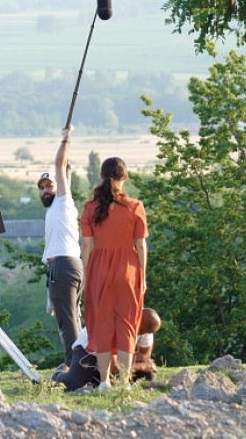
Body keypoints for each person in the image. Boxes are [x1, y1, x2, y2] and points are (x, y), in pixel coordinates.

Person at [81, 156, 148, 390]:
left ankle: (104, 382)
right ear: (125, 177)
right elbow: (140, 245)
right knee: (127, 323)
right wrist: (143, 276)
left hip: (99, 268)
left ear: (101, 176)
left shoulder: (90, 208)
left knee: (101, 323)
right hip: (128, 268)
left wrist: (86, 278)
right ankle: (125, 382)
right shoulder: (135, 206)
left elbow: (86, 246)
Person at [37, 126, 84, 370]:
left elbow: (60, 164)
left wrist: (66, 140)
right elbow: (65, 169)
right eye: (42, 187)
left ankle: (73, 365)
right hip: (65, 266)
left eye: (50, 186)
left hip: (64, 266)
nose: (45, 190)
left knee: (67, 322)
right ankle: (82, 361)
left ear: (59, 187)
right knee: (73, 318)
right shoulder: (56, 210)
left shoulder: (63, 202)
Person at [51, 308, 161, 391]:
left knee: (149, 375)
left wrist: (125, 360)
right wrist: (141, 366)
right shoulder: (116, 322)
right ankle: (61, 372)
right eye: (139, 330)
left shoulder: (146, 326)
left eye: (142, 333)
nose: (137, 334)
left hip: (115, 358)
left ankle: (98, 379)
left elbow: (145, 354)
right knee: (73, 385)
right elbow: (113, 367)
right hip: (89, 350)